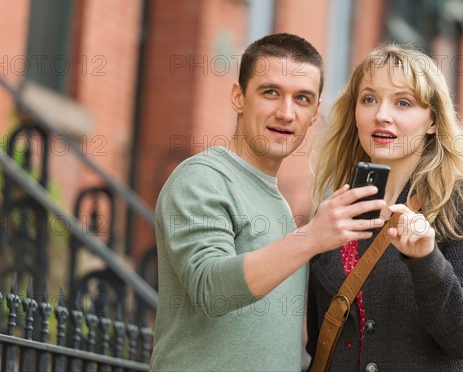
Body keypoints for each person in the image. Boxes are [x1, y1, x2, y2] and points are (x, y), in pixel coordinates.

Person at [150, 33, 387, 371]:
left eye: (302, 99)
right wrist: (311, 238)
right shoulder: (204, 178)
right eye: (271, 92)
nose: (286, 112)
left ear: (315, 113)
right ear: (238, 97)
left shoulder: (277, 203)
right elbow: (209, 288)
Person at [306, 44, 463, 371]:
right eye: (369, 99)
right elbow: (319, 343)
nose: (382, 114)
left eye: (403, 102)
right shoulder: (336, 208)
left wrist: (427, 260)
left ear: (433, 122)